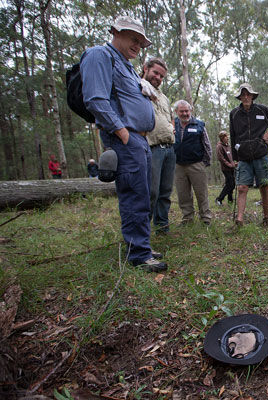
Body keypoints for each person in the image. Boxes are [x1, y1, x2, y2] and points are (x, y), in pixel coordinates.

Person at [81, 15, 166, 272]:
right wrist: (123, 133)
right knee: (133, 194)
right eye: (134, 38)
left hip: (140, 140)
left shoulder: (127, 67)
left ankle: (141, 245)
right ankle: (139, 256)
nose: (138, 45)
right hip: (125, 139)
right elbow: (96, 99)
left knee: (144, 194)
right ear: (116, 31)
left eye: (141, 41)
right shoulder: (99, 56)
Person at [229, 83, 268, 227]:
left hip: (261, 153)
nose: (246, 97)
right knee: (242, 187)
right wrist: (235, 158)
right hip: (243, 156)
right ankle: (239, 220)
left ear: (253, 96)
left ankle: (266, 218)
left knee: (264, 185)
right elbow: (233, 135)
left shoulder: (262, 110)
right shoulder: (234, 114)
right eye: (243, 94)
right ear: (240, 97)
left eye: (248, 94)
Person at [141, 57, 175, 233]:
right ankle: (142, 230)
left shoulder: (163, 97)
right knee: (151, 192)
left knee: (165, 191)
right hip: (151, 147)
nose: (158, 78)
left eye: (162, 76)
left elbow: (170, 118)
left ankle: (162, 225)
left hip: (169, 148)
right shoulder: (138, 86)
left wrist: (171, 129)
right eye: (155, 73)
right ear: (145, 68)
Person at [173, 100, 212, 225]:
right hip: (178, 165)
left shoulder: (199, 124)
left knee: (201, 193)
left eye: (186, 111)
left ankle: (205, 218)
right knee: (183, 195)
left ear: (191, 111)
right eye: (181, 111)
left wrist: (204, 162)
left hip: (196, 164)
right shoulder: (172, 124)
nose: (184, 113)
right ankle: (187, 218)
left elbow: (207, 144)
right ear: (176, 112)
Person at [216, 131, 235, 206]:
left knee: (232, 184)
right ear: (222, 138)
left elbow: (231, 156)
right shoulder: (219, 146)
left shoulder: (228, 146)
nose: (227, 138)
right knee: (229, 184)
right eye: (225, 136)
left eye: (227, 136)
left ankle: (230, 200)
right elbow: (221, 158)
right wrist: (229, 165)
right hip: (226, 169)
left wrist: (234, 163)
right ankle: (219, 199)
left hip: (232, 168)